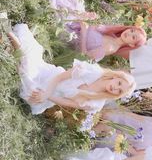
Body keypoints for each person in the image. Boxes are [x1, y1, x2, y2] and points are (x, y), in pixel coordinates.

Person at [8, 24, 136, 115]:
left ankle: (19, 56)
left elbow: (67, 102)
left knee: (31, 92)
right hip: (51, 78)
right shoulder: (95, 72)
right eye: (119, 83)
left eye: (119, 91)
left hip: (51, 96)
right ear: (115, 77)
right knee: (31, 63)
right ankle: (19, 50)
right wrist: (47, 92)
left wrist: (47, 97)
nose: (115, 88)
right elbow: (60, 77)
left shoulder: (96, 103)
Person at [66, 22, 147, 62]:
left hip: (67, 39)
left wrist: (84, 31)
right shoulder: (111, 34)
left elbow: (84, 56)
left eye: (133, 37)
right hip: (72, 27)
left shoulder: (111, 48)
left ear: (132, 45)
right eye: (132, 30)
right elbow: (90, 25)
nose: (129, 33)